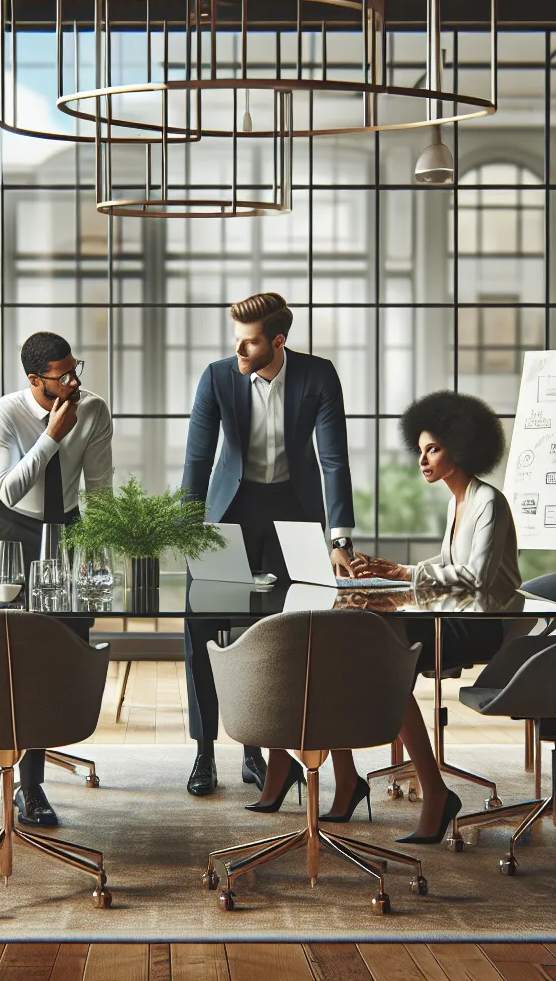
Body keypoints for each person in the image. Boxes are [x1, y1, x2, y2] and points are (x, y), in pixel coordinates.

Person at [180, 292, 357, 799]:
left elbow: (334, 461)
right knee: (204, 632)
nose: (239, 349)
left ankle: (259, 753)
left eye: (250, 341)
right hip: (226, 515)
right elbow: (197, 459)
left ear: (277, 342)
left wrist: (340, 537)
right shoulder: (217, 377)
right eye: (236, 338)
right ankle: (203, 752)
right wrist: (188, 525)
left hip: (293, 513)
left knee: (280, 633)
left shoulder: (318, 376)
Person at [0, 331, 113, 828]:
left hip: (72, 530)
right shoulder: (2, 413)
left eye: (76, 368)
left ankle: (31, 787)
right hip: (16, 529)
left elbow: (99, 488)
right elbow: (8, 490)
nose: (75, 380)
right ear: (36, 380)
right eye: (64, 375)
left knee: (50, 654)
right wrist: (51, 437)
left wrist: (97, 554)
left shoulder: (94, 410)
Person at [345, 391, 520, 842]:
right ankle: (365, 779)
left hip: (483, 626)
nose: (422, 460)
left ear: (460, 449)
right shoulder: (456, 502)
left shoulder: (489, 502)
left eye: (433, 450)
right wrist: (398, 574)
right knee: (368, 635)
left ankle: (433, 793)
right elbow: (446, 561)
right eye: (421, 450)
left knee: (387, 660)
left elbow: (476, 578)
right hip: (457, 616)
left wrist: (408, 574)